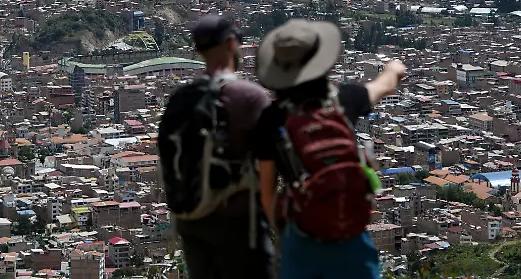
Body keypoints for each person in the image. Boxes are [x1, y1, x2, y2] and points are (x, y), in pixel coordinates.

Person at [252, 18, 407, 279]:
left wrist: (285, 233)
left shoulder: (270, 119)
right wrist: (394, 67)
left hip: (302, 237)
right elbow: (387, 84)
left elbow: (266, 193)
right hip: (349, 232)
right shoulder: (344, 99)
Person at [160, 14, 274, 279]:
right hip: (237, 221)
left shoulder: (182, 98)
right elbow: (270, 161)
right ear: (232, 44)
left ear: (198, 51)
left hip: (192, 220)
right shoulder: (249, 96)